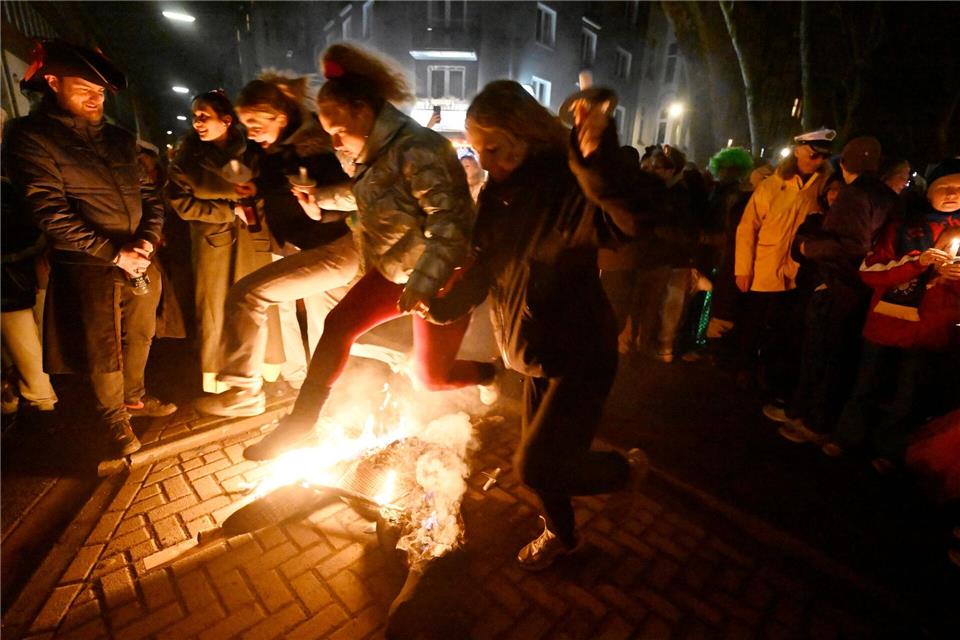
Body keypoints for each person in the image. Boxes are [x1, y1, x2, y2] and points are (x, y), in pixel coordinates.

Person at [427, 81, 664, 570]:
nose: (485, 160)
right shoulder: (497, 197)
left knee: (536, 464)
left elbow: (630, 221)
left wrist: (594, 161)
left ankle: (626, 470)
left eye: (493, 148)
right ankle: (563, 536)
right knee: (541, 468)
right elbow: (489, 267)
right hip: (533, 353)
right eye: (477, 149)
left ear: (527, 136)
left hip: (580, 356)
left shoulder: (566, 188)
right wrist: (444, 306)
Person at [240, 44, 491, 461]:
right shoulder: (374, 154)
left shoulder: (420, 149)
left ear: (362, 111)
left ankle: (487, 373)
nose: (335, 140)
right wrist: (320, 198)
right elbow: (366, 196)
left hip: (444, 276)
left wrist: (425, 284)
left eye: (338, 130)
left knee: (431, 377)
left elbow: (451, 226)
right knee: (338, 325)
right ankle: (301, 423)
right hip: (397, 269)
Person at [5, 40, 175, 456]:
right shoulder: (32, 137)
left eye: (100, 91)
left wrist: (146, 242)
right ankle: (111, 417)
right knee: (102, 345)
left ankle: (134, 397)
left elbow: (150, 196)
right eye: (85, 87)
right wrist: (114, 253)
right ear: (52, 82)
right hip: (86, 263)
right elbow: (49, 211)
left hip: (139, 259)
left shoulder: (118, 139)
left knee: (141, 332)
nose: (95, 97)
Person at [194, 74, 362, 417]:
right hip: (311, 249)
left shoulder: (310, 151)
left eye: (256, 123)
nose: (250, 131)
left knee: (247, 296)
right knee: (333, 331)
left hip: (333, 251)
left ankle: (244, 391)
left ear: (280, 118)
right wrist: (252, 192)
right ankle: (339, 403)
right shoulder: (271, 150)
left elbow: (346, 200)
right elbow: (270, 186)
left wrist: (320, 210)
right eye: (246, 124)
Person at [823, 159, 960, 471]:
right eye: (944, 187)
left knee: (906, 397)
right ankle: (847, 437)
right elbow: (870, 271)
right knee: (865, 385)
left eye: (959, 188)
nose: (952, 193)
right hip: (887, 323)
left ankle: (889, 449)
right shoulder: (902, 228)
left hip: (929, 330)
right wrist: (918, 262)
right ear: (929, 192)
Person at [776, 137, 901, 442]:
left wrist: (807, 247)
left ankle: (812, 421)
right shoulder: (887, 195)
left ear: (845, 165)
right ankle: (808, 413)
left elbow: (849, 245)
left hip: (837, 286)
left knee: (822, 355)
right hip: (861, 289)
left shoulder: (854, 195)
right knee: (837, 357)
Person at [166, 90, 278, 393]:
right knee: (216, 308)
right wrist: (229, 210)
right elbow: (182, 204)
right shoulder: (187, 161)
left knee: (259, 299)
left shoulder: (253, 152)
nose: (197, 123)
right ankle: (220, 375)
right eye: (194, 117)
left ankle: (264, 367)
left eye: (204, 116)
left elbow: (268, 187)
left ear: (226, 121)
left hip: (252, 240)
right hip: (213, 245)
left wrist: (255, 206)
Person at [734, 128, 835, 402]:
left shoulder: (823, 186)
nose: (817, 161)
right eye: (813, 154)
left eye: (823, 157)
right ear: (799, 151)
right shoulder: (771, 185)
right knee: (754, 322)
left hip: (797, 270)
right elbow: (747, 228)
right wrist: (743, 268)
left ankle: (769, 374)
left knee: (783, 327)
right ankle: (745, 367)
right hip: (765, 267)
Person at [1, 107, 58, 416]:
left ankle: (40, 397)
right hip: (17, 269)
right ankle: (27, 393)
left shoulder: (11, 173)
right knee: (22, 337)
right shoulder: (16, 167)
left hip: (12, 274)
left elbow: (25, 225)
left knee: (23, 337)